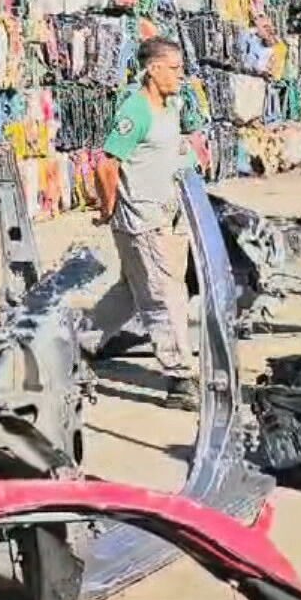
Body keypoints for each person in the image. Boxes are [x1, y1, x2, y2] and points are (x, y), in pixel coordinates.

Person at [90, 37, 202, 411]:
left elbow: (172, 151)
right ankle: (181, 377)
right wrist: (108, 209)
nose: (180, 75)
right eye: (174, 68)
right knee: (161, 296)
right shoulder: (135, 110)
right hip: (141, 219)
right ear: (153, 69)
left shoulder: (171, 107)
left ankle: (77, 343)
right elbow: (106, 165)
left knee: (131, 291)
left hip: (167, 216)